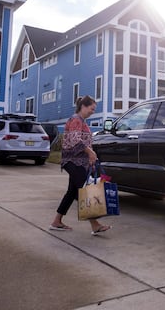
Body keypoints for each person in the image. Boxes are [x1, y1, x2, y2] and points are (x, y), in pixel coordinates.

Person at [50, 95, 111, 235]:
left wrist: (91, 157)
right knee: (84, 192)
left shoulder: (81, 121)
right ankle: (95, 225)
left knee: (72, 192)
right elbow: (75, 140)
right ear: (83, 106)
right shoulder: (76, 120)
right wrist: (90, 152)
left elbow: (84, 142)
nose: (93, 112)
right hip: (72, 161)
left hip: (78, 162)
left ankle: (56, 222)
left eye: (94, 110)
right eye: (92, 109)